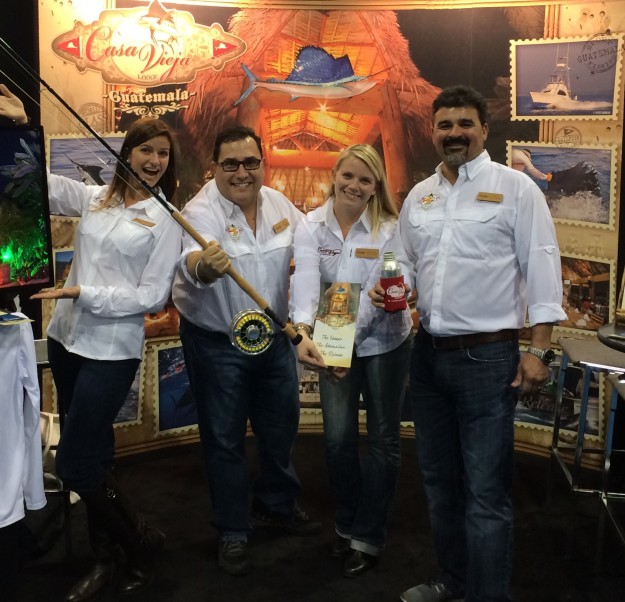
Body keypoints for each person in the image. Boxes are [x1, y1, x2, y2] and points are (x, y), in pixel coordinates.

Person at [369, 85, 566, 602]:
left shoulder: (517, 189)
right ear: (433, 132)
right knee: (440, 483)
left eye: (464, 124)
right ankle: (453, 582)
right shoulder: (420, 195)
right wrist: (391, 284)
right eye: (445, 125)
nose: (454, 133)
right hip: (428, 356)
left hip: (489, 358)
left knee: (485, 491)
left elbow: (542, 264)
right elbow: (403, 260)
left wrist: (538, 349)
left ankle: (486, 595)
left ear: (484, 130)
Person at [0, 84, 182, 602]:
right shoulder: (97, 198)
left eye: (163, 153)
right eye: (145, 149)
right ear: (128, 153)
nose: (154, 160)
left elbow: (151, 295)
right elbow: (37, 182)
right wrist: (20, 127)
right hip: (67, 340)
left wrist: (85, 292)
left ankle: (140, 542)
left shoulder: (167, 218)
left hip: (111, 351)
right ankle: (107, 557)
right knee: (96, 455)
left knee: (76, 462)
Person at [171, 125, 320, 576]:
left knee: (280, 429)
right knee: (224, 438)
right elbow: (190, 264)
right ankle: (233, 529)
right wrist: (205, 265)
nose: (242, 172)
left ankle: (276, 504)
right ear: (214, 167)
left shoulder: (280, 205)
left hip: (274, 340)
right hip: (217, 344)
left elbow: (312, 251)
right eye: (231, 164)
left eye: (250, 162)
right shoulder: (200, 212)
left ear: (262, 164)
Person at [290, 144, 412, 577]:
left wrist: (344, 343)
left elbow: (386, 291)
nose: (354, 186)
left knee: (383, 440)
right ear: (335, 175)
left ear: (376, 186)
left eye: (365, 179)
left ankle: (369, 535)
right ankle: (347, 525)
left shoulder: (391, 228)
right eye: (348, 176)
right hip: (332, 337)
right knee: (338, 439)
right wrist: (302, 330)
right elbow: (307, 280)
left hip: (385, 342)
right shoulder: (310, 225)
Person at [0, 310, 46, 602]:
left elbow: (31, 408)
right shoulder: (14, 327)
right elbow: (31, 409)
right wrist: (32, 491)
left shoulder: (14, 327)